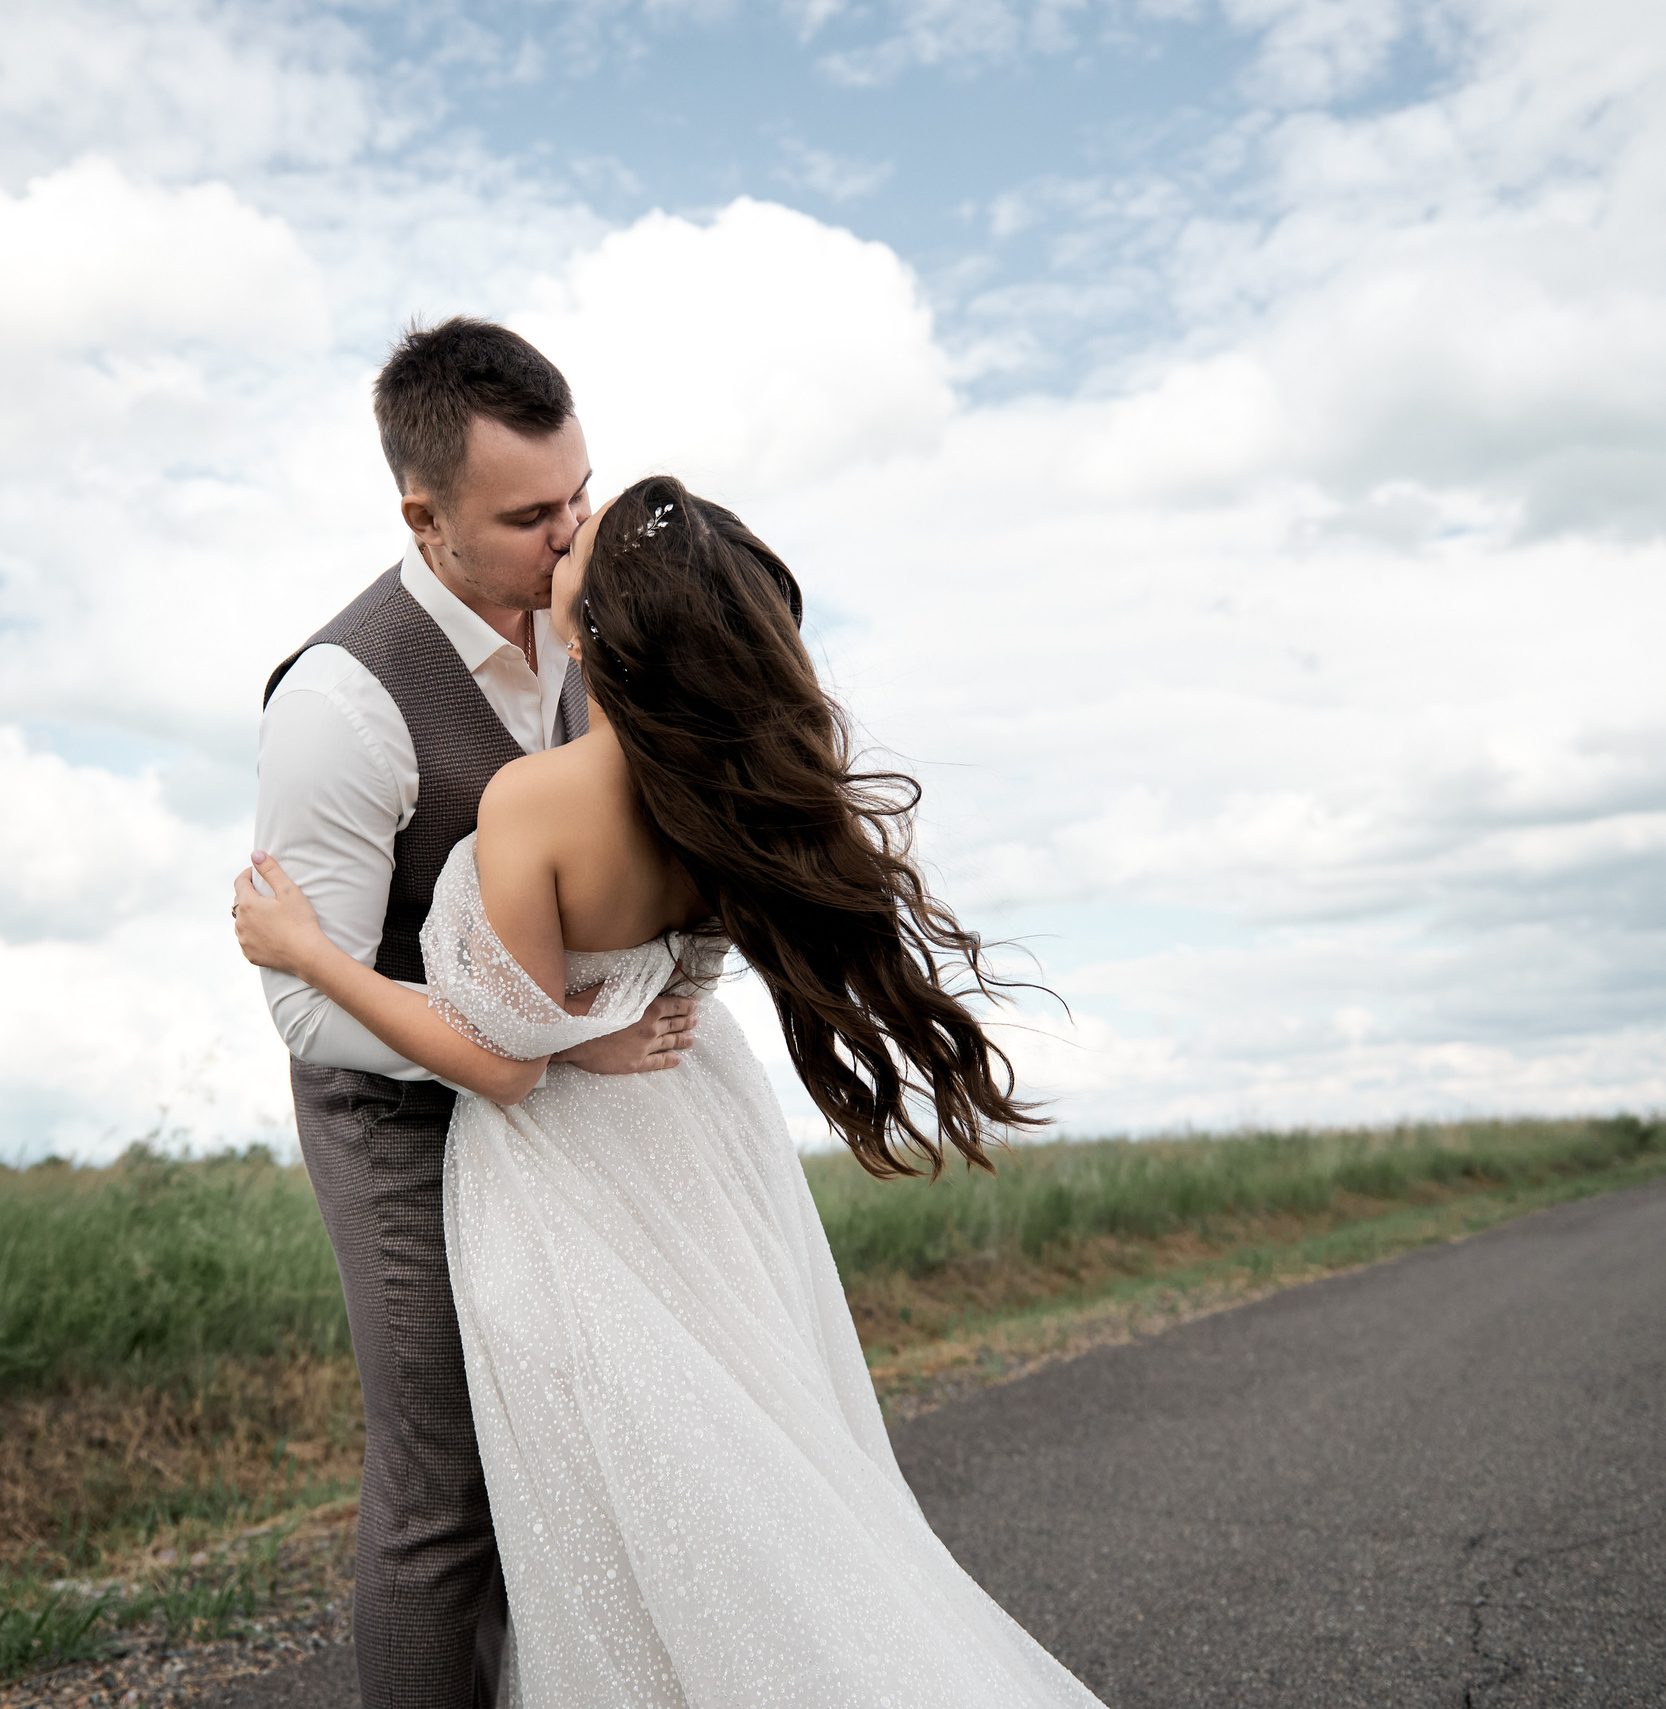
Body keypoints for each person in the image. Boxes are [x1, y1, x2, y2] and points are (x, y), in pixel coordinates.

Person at [234, 475, 1107, 1707]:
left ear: (592, 636)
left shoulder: (535, 799)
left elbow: (503, 1057)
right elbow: (592, 1003)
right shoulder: (720, 782)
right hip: (696, 1129)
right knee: (737, 1453)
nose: (563, 538)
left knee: (620, 1486)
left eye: (578, 532)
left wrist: (310, 952)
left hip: (566, 1171)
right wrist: (593, 1023)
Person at [251, 319, 700, 1709]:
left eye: (580, 494)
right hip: (397, 1116)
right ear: (423, 517)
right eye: (530, 516)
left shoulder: (590, 625)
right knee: (445, 1487)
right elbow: (302, 1001)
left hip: (570, 1091)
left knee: (575, 1450)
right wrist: (532, 1045)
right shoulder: (340, 699)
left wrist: (606, 1024)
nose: (575, 536)